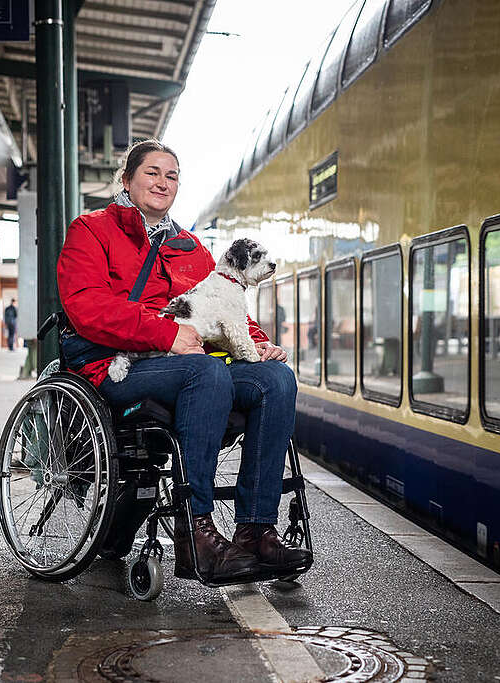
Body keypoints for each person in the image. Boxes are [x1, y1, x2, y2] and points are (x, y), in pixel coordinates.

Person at [56, 139, 311, 583]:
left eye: (171, 175)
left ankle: (256, 530)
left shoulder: (191, 246)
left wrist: (259, 342)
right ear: (127, 179)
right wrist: (167, 334)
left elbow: (222, 304)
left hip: (187, 364)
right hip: (119, 364)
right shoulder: (91, 230)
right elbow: (87, 306)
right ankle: (195, 533)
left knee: (276, 379)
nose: (162, 182)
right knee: (208, 370)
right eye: (152, 172)